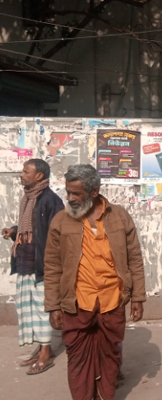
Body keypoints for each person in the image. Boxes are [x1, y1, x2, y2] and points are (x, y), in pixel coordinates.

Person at [44, 164, 145, 400]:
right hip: (77, 301)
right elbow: (52, 266)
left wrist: (138, 297)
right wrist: (53, 305)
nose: (70, 198)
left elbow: (135, 259)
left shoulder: (119, 216)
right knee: (78, 358)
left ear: (94, 191)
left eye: (76, 193)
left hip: (113, 299)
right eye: (68, 192)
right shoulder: (61, 220)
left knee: (109, 356)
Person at [2, 159, 63, 375]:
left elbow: (56, 234)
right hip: (26, 263)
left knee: (41, 308)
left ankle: (46, 353)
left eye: (25, 171)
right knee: (28, 308)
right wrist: (15, 231)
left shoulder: (50, 200)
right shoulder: (28, 198)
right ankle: (41, 348)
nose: (21, 174)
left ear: (39, 176)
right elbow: (32, 229)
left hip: (42, 266)